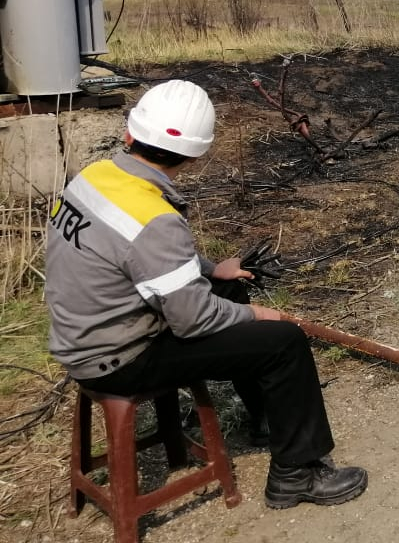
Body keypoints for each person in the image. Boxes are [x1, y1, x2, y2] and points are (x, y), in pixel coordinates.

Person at [45, 80, 368, 509]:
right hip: (118, 358)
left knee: (231, 286)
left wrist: (216, 271)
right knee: (284, 344)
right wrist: (258, 315)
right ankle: (297, 473)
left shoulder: (96, 177)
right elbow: (194, 319)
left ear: (129, 134)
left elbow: (142, 254)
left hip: (85, 333)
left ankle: (266, 420)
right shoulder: (157, 220)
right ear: (195, 155)